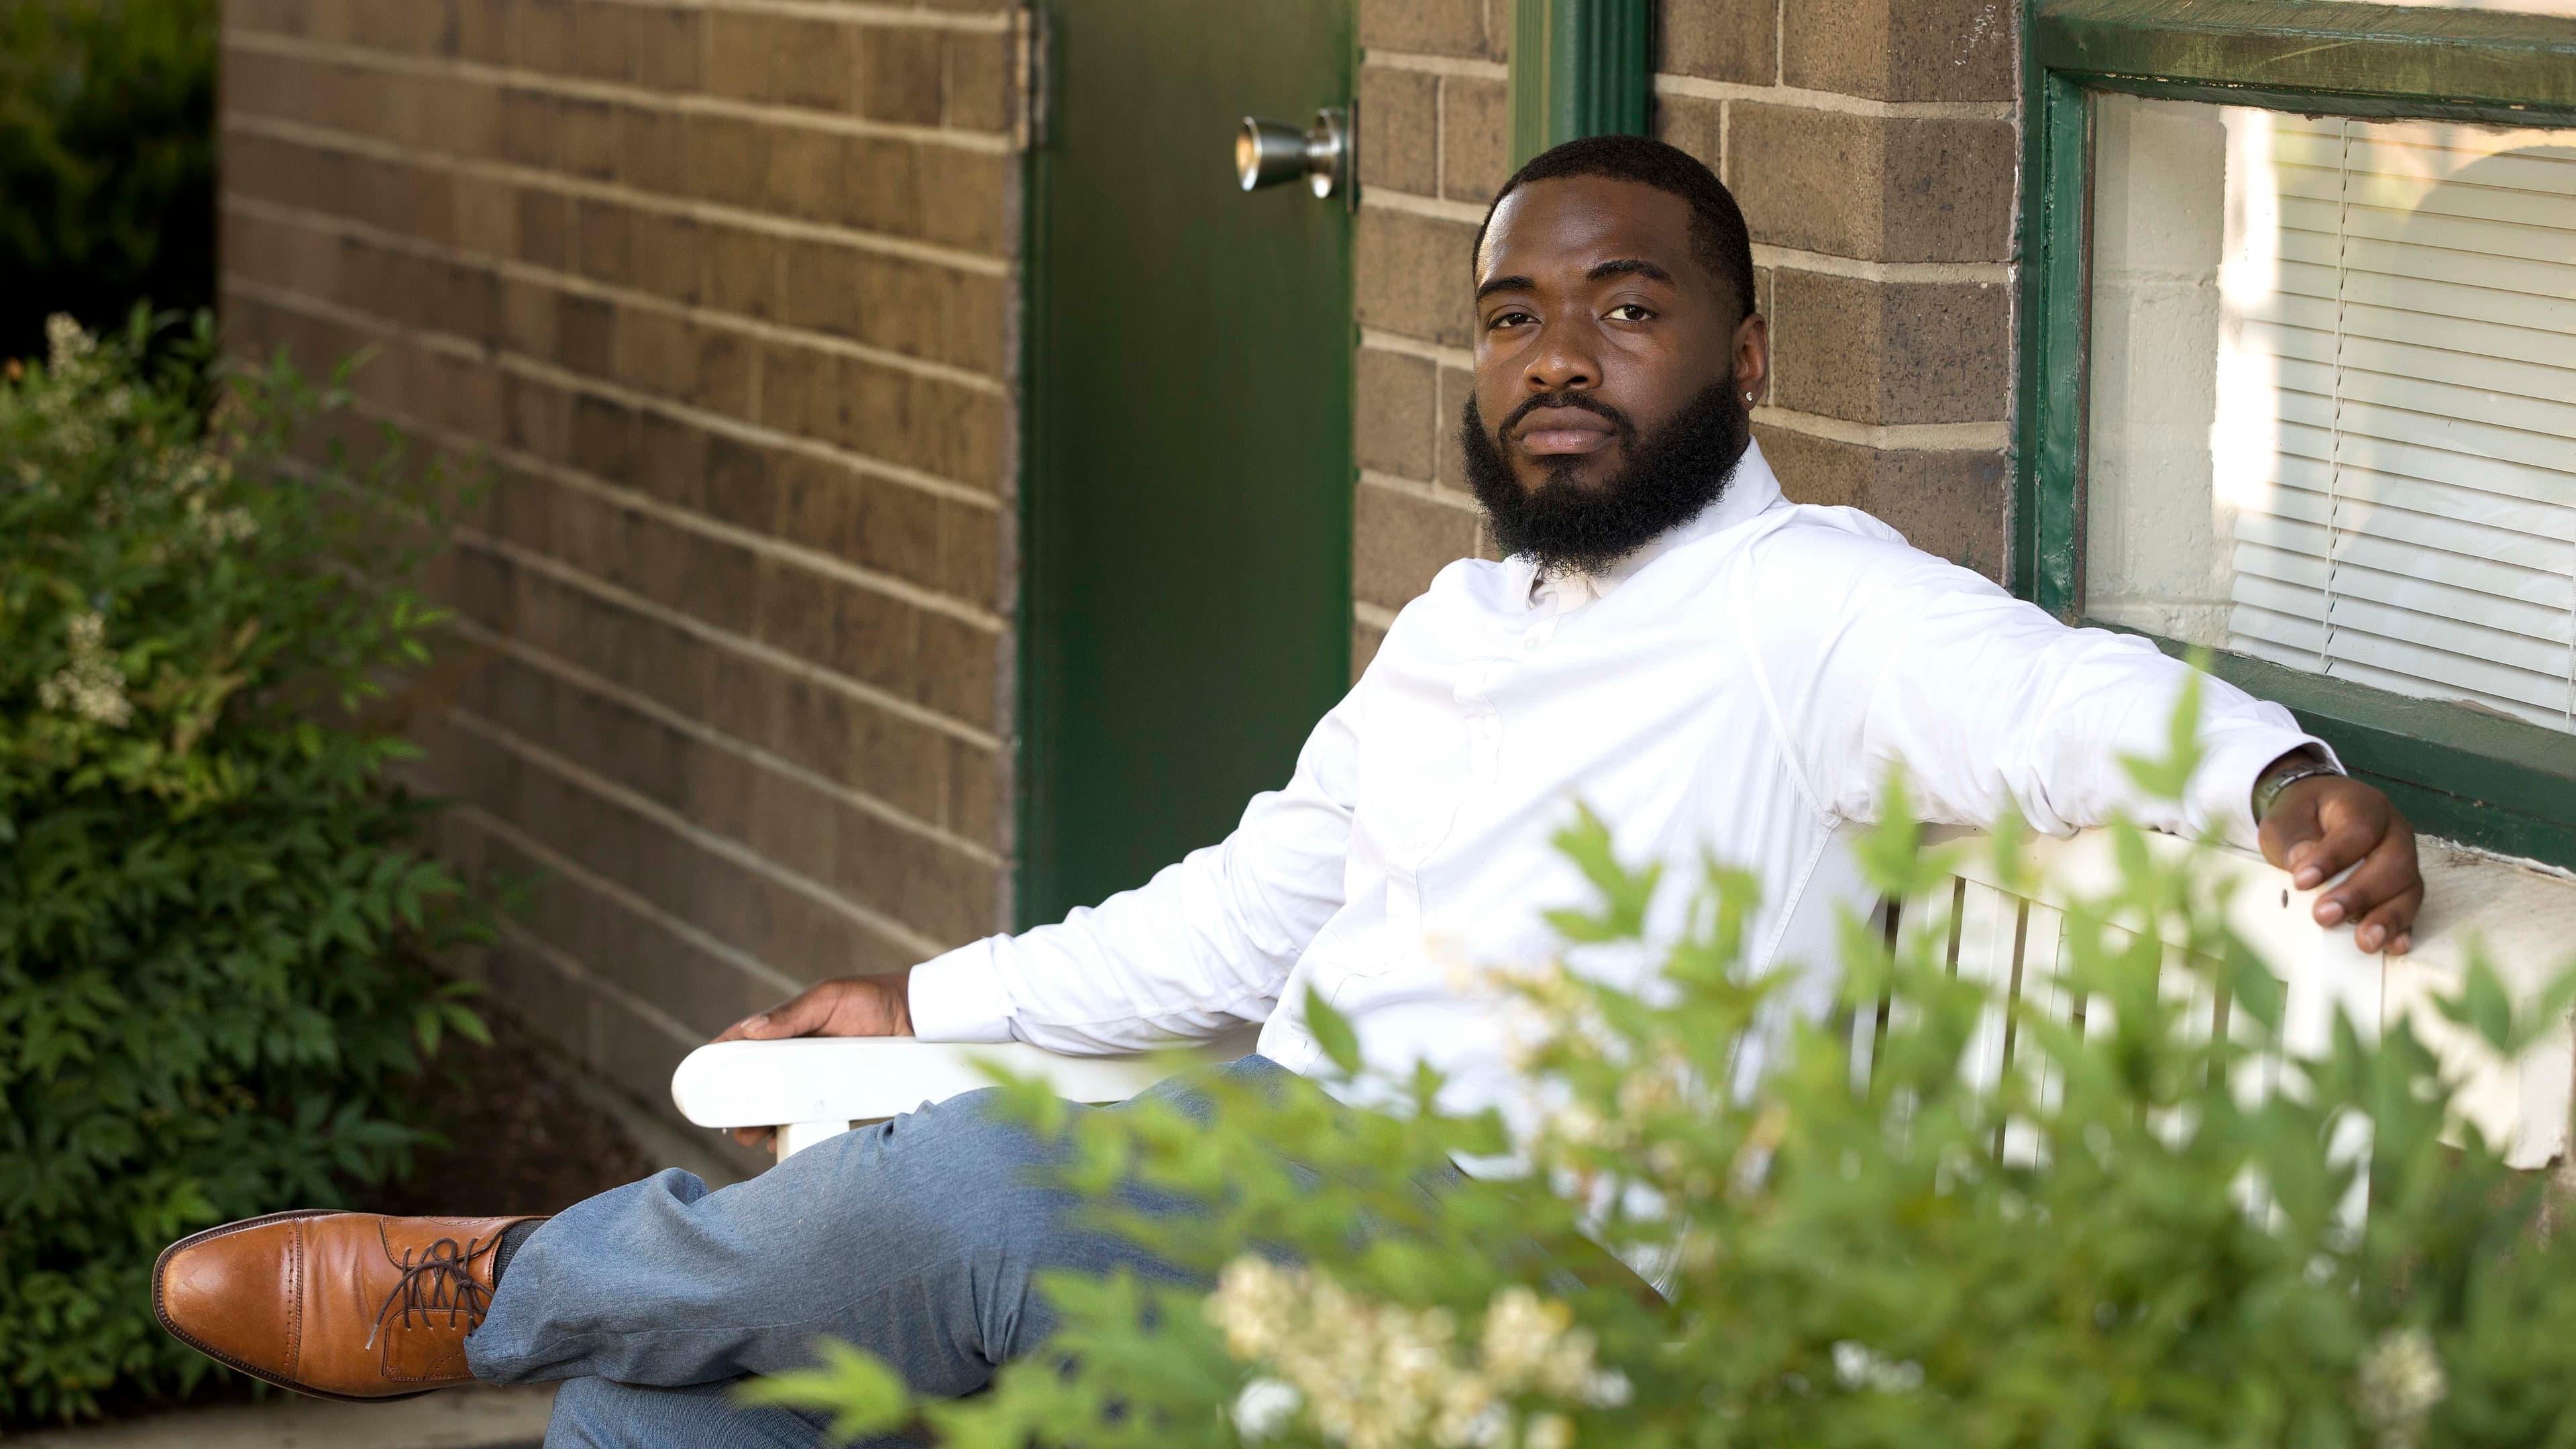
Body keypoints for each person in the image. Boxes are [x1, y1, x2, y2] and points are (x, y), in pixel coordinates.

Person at [150, 136, 2423, 1446]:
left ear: (1744, 352)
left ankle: (495, 1282)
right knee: (686, 1405)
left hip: (1555, 1292)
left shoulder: (1805, 602)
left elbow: (2050, 697)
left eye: (1625, 310)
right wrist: (929, 992)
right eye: (1512, 314)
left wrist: (2276, 774)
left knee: (988, 1191)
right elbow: (1252, 908)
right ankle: (567, 1316)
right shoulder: (1462, 623)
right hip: (1274, 1205)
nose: (1556, 356)